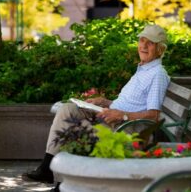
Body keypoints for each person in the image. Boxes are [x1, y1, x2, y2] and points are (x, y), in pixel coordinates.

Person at [22, 24, 170, 191]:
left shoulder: (157, 74)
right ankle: (47, 168)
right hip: (113, 118)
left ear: (159, 49)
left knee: (74, 129)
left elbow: (153, 116)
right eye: (142, 40)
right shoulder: (143, 69)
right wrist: (105, 102)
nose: (143, 45)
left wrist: (123, 115)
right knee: (67, 109)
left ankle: (64, 186)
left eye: (150, 43)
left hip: (127, 129)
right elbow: (129, 102)